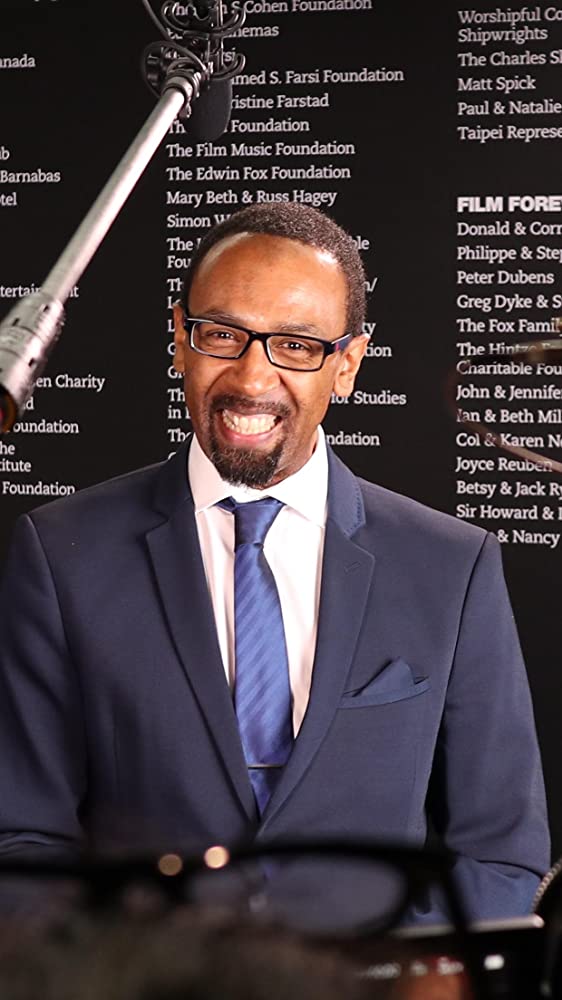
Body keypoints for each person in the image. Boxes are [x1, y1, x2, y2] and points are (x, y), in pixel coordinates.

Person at [0, 203, 549, 924]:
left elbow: (500, 853)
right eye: (222, 334)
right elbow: (20, 839)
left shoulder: (452, 567)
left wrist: (398, 973)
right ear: (180, 338)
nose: (252, 378)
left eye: (296, 344)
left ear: (347, 365)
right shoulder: (59, 555)